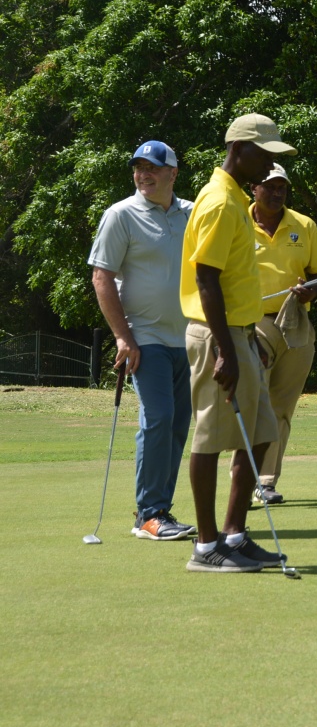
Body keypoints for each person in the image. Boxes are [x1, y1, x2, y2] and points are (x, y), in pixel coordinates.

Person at [179, 114, 296, 573]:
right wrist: (227, 350)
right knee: (210, 438)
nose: (269, 164)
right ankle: (206, 548)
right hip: (215, 335)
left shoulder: (230, 197)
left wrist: (245, 340)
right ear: (240, 149)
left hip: (239, 333)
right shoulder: (219, 202)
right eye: (264, 153)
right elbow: (205, 277)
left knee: (261, 433)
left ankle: (235, 535)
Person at [87, 140, 196, 542]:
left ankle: (160, 510)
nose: (143, 174)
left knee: (178, 425)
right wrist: (122, 336)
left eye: (152, 167)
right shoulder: (121, 215)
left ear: (172, 173)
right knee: (159, 418)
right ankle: (149, 514)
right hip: (144, 338)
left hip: (189, 339)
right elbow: (102, 277)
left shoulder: (192, 213)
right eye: (138, 167)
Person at [249, 163, 317, 505]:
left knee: (281, 406)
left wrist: (311, 292)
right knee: (255, 400)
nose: (277, 192)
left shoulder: (304, 225)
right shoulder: (236, 221)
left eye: (282, 186)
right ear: (254, 187)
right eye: (270, 186)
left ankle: (266, 481)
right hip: (251, 321)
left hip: (295, 322)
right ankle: (246, 477)